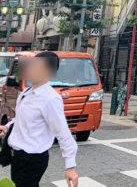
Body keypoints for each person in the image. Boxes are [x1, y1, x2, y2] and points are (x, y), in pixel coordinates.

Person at [0, 52, 79, 187]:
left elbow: (63, 133)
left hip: (32, 160)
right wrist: (7, 127)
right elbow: (21, 119)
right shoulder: (26, 93)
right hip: (17, 157)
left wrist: (70, 167)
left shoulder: (50, 99)